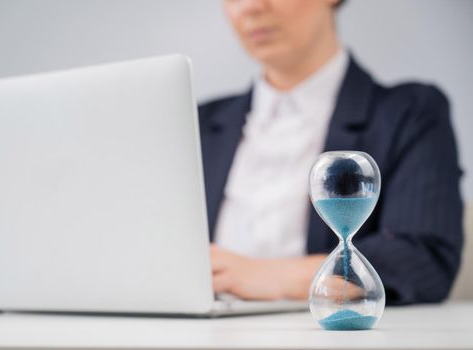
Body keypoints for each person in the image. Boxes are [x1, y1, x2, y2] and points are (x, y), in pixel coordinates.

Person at [198, 0, 463, 305]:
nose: (250, 7)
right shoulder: (196, 122)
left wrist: (278, 276)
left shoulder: (408, 114)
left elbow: (425, 257)